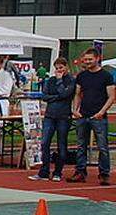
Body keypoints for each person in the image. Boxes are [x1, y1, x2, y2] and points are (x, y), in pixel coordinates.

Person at [69, 47, 114, 185]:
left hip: (99, 116)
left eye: (90, 59)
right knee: (81, 145)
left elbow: (111, 96)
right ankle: (80, 171)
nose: (87, 62)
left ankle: (104, 173)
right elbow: (77, 94)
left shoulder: (106, 76)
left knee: (102, 146)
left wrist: (102, 112)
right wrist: (75, 110)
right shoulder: (82, 76)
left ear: (97, 59)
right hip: (83, 115)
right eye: (86, 59)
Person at [29, 57, 76, 182]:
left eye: (61, 68)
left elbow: (65, 94)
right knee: (44, 143)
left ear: (66, 68)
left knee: (61, 144)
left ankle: (58, 172)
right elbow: (44, 96)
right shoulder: (50, 81)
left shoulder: (71, 81)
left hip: (63, 116)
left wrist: (60, 81)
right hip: (50, 115)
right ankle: (44, 171)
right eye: (57, 68)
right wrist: (56, 97)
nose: (59, 70)